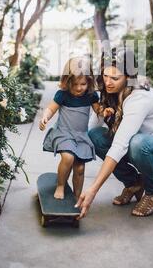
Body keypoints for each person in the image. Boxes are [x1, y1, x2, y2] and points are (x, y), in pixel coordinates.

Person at [75, 47, 153, 218]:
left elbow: (120, 145)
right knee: (95, 137)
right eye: (105, 76)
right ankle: (134, 183)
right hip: (142, 147)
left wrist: (93, 190)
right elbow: (93, 128)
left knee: (138, 143)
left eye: (115, 78)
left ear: (128, 77)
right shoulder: (109, 91)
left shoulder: (139, 97)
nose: (108, 82)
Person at [39, 56, 114, 200]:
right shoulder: (63, 95)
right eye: (75, 84)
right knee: (68, 158)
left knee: (79, 168)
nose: (79, 88)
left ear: (89, 82)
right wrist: (45, 117)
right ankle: (61, 185)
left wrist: (104, 112)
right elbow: (51, 108)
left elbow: (98, 109)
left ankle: (76, 196)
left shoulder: (90, 95)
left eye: (83, 84)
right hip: (64, 133)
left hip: (81, 136)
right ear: (67, 82)